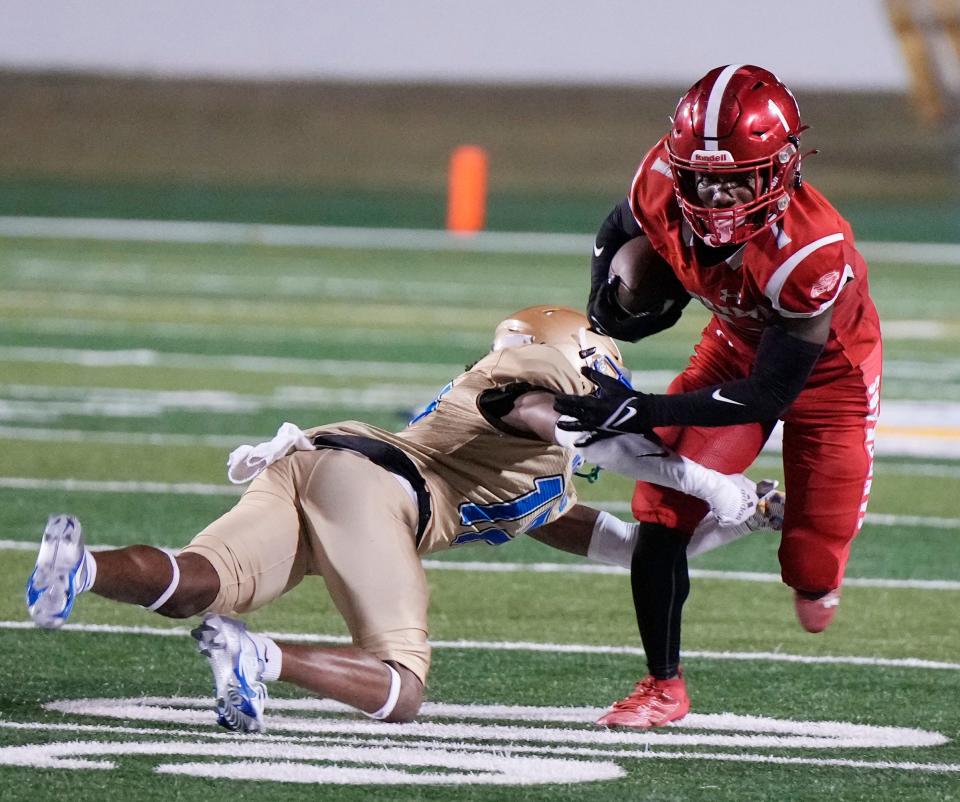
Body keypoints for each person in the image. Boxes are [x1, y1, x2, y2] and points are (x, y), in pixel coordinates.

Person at [26, 305, 773, 733]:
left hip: (320, 460)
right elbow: (549, 414)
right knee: (401, 685)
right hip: (377, 489)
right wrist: (710, 480)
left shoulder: (532, 481)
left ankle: (79, 568)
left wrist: (744, 518)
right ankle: (260, 659)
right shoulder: (523, 384)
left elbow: (634, 549)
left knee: (199, 584)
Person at [554, 65, 882, 729]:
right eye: (703, 176)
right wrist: (604, 305)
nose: (714, 195)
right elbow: (618, 226)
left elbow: (769, 393)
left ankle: (814, 568)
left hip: (829, 379)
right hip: (733, 341)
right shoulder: (660, 181)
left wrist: (643, 409)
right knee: (661, 507)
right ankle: (663, 686)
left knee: (811, 567)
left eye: (735, 179)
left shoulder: (811, 250)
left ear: (783, 167)